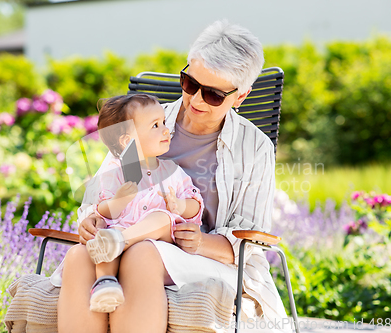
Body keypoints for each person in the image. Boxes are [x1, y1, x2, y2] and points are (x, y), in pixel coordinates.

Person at [54, 20, 291, 333]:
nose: (194, 100)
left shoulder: (254, 147)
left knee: (142, 254)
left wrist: (201, 242)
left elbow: (254, 238)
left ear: (240, 97)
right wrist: (91, 220)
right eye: (190, 83)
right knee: (77, 258)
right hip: (123, 235)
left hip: (202, 258)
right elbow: (102, 190)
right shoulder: (146, 121)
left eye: (213, 95)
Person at [85, 94, 204, 313]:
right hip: (123, 231)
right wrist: (119, 200)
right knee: (109, 236)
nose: (166, 130)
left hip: (162, 238)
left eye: (164, 123)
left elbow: (196, 203)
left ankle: (119, 240)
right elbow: (102, 212)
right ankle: (105, 284)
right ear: (127, 140)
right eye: (156, 125)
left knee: (160, 217)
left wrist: (180, 204)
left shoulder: (172, 171)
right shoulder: (116, 171)